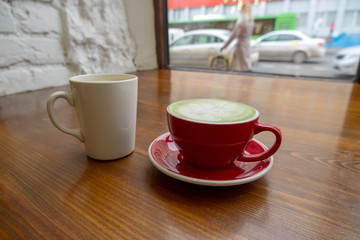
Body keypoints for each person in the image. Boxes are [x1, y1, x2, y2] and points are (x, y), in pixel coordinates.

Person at [220, 3, 254, 72]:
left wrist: (224, 46)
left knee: (240, 66)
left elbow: (234, 35)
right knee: (245, 64)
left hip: (241, 46)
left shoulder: (242, 22)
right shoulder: (251, 21)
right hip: (246, 45)